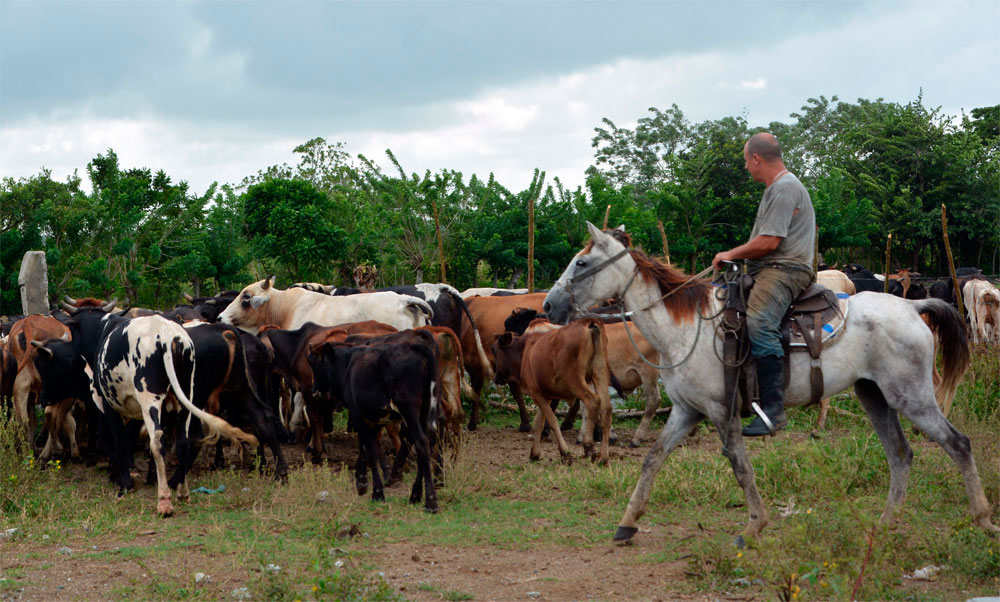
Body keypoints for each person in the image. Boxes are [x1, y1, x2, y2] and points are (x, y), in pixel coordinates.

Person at [712, 133, 815, 436]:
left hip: (785, 269)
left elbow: (769, 242)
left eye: (746, 161)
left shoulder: (785, 188)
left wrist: (730, 253)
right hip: (769, 267)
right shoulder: (776, 188)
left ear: (756, 158)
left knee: (759, 321)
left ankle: (773, 410)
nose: (746, 168)